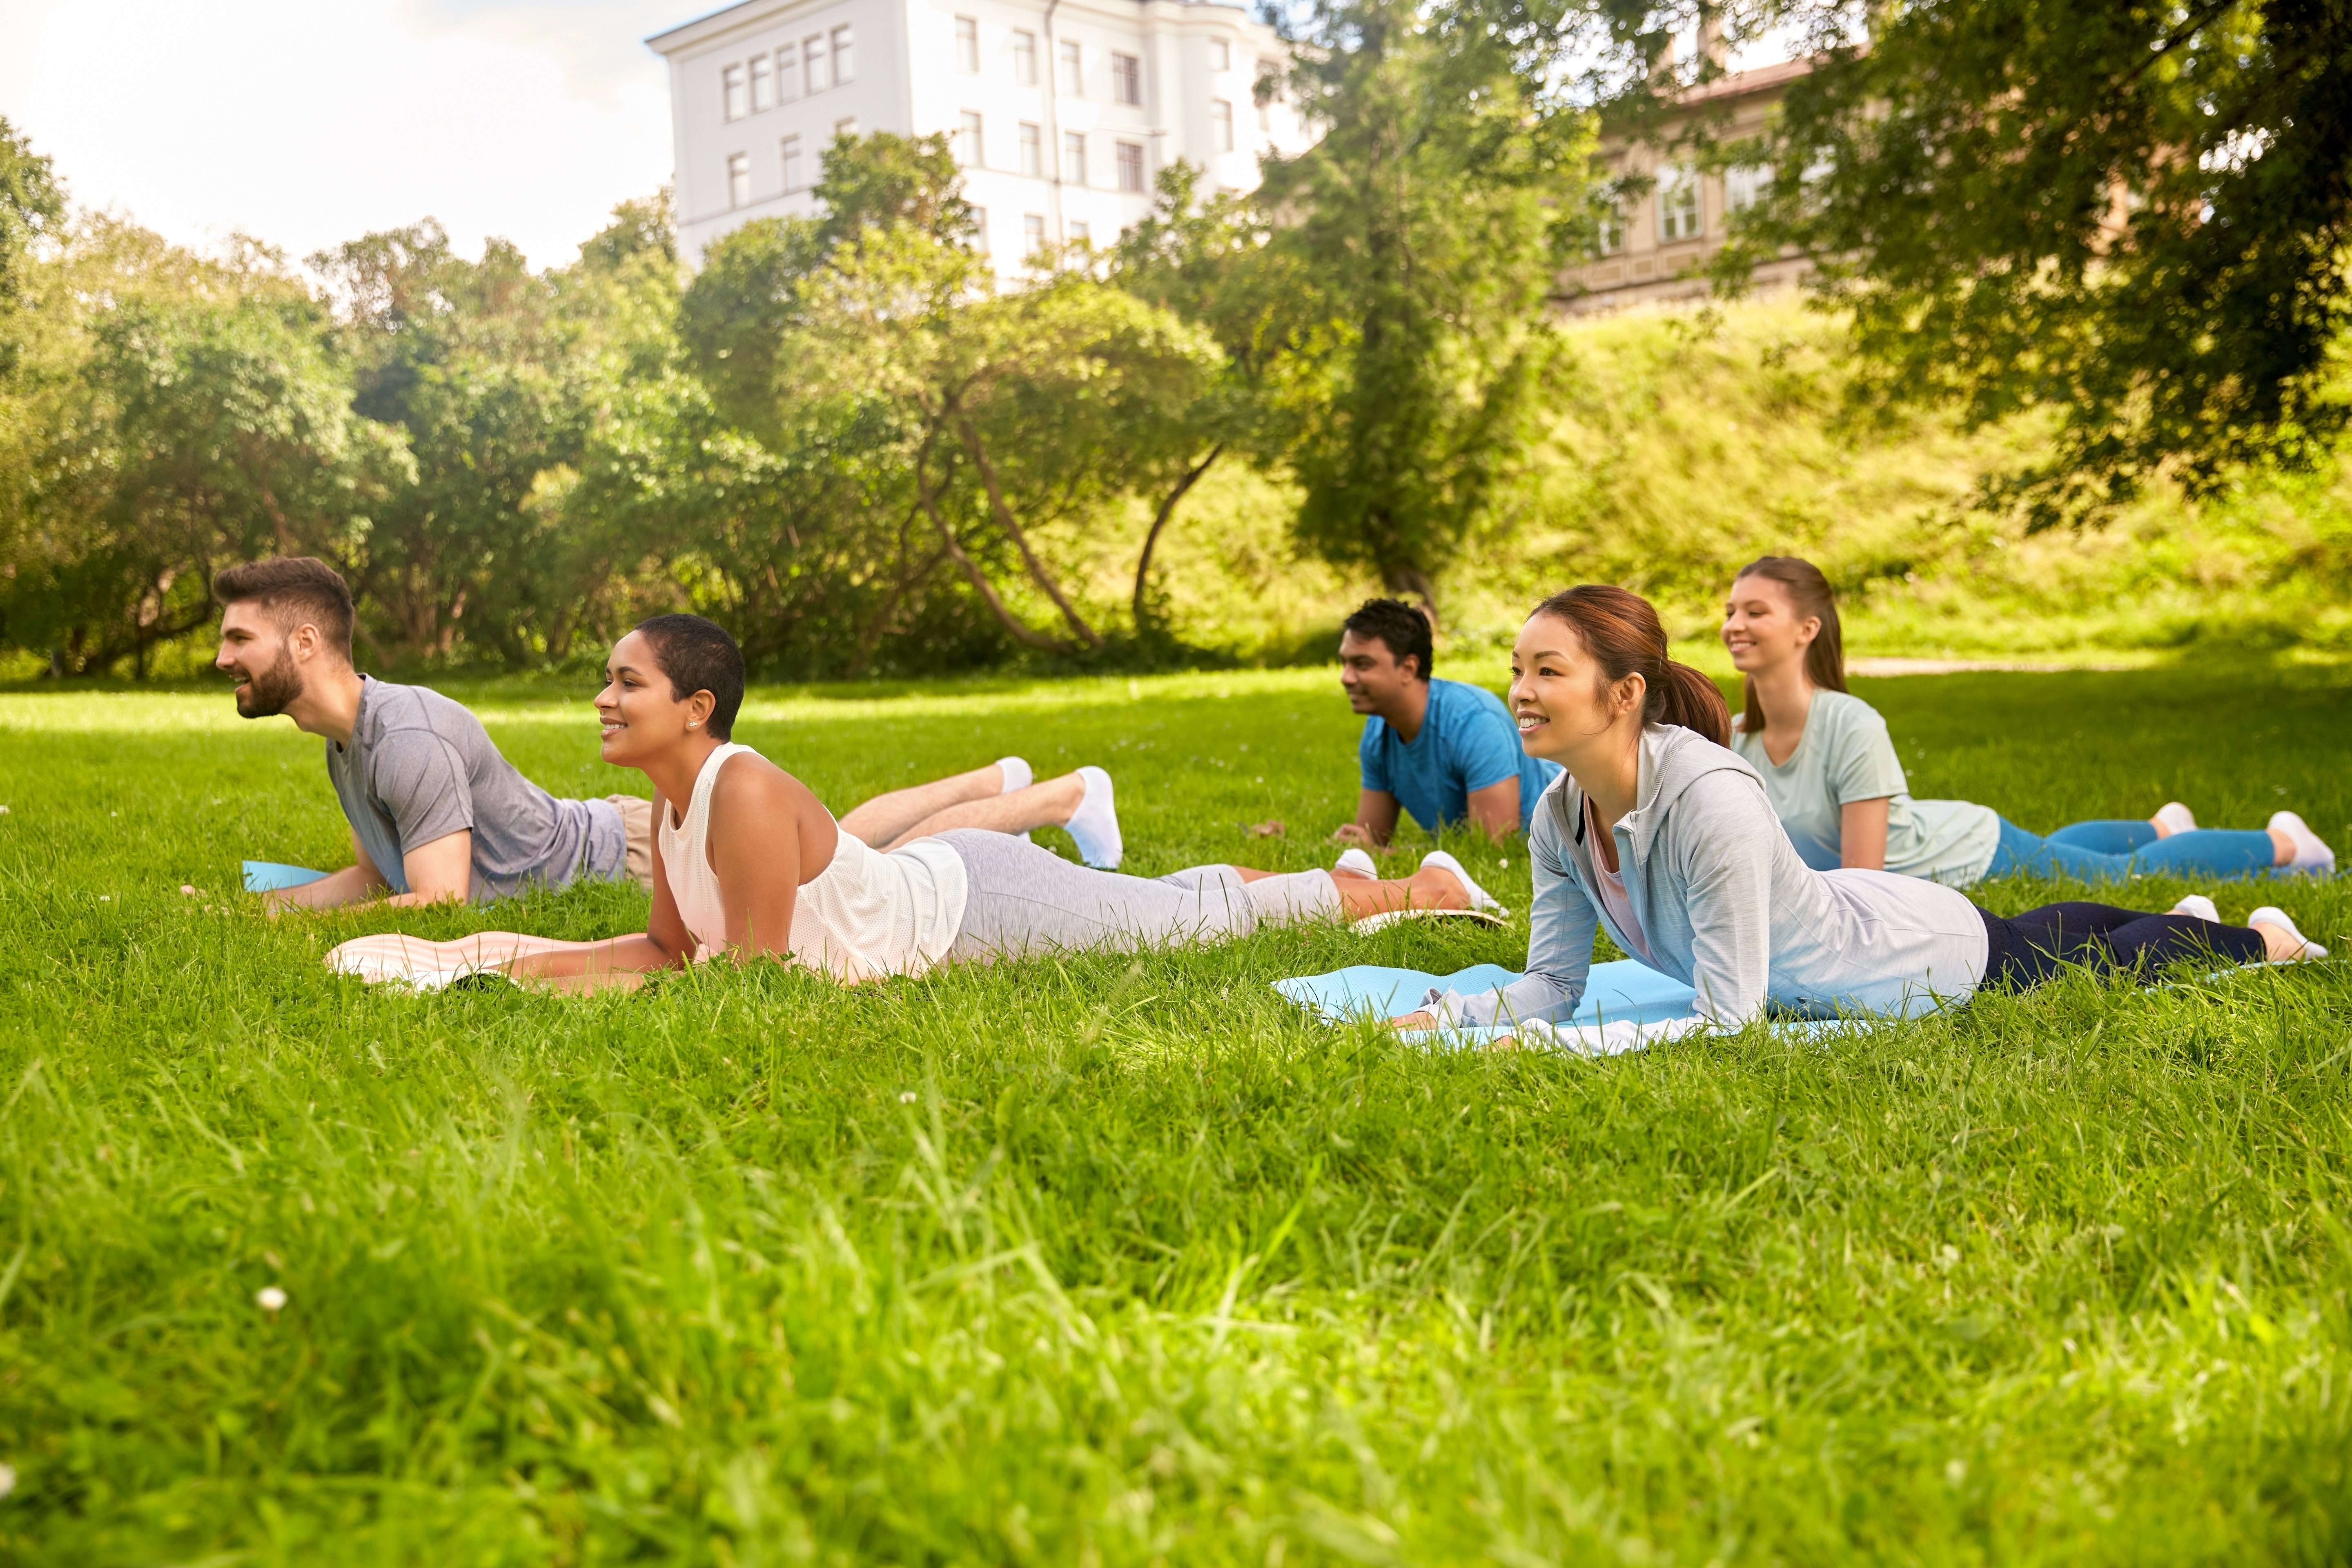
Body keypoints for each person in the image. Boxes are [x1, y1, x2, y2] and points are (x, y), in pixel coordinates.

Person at [325, 615, 1504, 992]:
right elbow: (662, 948)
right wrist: (488, 962)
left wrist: (506, 969)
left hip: (973, 908)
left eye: (624, 683)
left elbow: (744, 985)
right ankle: (1348, 881)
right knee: (1171, 902)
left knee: (1198, 927)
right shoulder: (672, 812)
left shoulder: (737, 792)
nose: (601, 699)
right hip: (961, 896)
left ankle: (1415, 886)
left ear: (695, 707)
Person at [1395, 586, 2325, 1034]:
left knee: (2089, 955)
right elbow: (1554, 989)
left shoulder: (1708, 798)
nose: (1516, 689)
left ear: (1623, 692)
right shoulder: (1557, 814)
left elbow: (1728, 1019)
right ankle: (2194, 917)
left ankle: (2256, 939)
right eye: (1515, 668)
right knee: (2057, 926)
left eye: (1545, 670)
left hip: (1912, 957)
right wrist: (1453, 1013)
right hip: (1865, 916)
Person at [214, 557, 1129, 913]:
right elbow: (386, 873)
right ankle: (997, 776)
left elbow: (440, 902)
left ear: (305, 642)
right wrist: (252, 913)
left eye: (237, 638)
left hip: (629, 850)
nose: (223, 658)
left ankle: (1062, 796)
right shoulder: (350, 742)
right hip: (617, 830)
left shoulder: (403, 734)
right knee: (848, 835)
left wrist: (344, 944)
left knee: (855, 864)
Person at [1719, 556, 2335, 885]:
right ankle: (2159, 824)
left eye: (1755, 611)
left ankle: (2287, 845)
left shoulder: (1850, 724)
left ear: (1807, 630)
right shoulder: (1738, 737)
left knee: (2120, 878)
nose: (1734, 625)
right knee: (2060, 851)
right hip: (1940, 832)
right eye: (1728, 611)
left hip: (1969, 853)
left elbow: (1863, 882)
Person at [1332, 597, 1561, 848]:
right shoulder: (1378, 730)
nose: (1346, 678)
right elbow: (1372, 840)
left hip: (1562, 829)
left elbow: (1491, 848)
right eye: (1345, 663)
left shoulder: (1475, 722)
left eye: (1362, 665)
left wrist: (1386, 854)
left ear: (1408, 668)